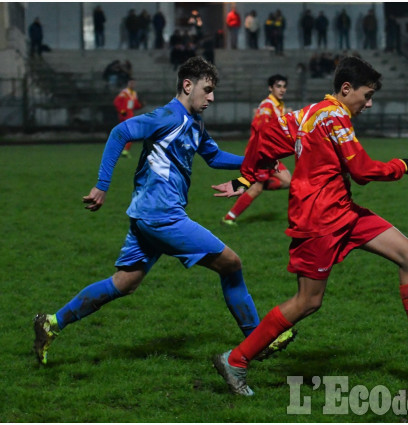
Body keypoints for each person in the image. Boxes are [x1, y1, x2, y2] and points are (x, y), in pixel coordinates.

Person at [211, 56, 408, 396]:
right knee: (307, 301)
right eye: (367, 95)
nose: (369, 103)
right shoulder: (335, 117)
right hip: (318, 221)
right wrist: (401, 165)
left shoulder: (308, 113)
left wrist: (247, 177)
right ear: (346, 89)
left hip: (343, 211)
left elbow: (266, 139)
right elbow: (362, 171)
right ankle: (236, 359)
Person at [33, 57, 295, 367]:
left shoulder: (195, 122)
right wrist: (102, 185)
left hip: (147, 215)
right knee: (231, 263)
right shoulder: (167, 117)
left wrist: (258, 161)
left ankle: (51, 322)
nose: (211, 98)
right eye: (207, 90)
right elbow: (120, 132)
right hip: (162, 215)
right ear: (188, 85)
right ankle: (259, 339)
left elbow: (213, 156)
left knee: (124, 282)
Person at [221, 75, 292, 226]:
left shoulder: (277, 104)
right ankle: (229, 218)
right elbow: (262, 129)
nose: (282, 89)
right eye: (278, 86)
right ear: (270, 88)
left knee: (288, 181)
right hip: (260, 153)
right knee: (257, 188)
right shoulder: (268, 105)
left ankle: (256, 184)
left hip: (270, 153)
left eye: (284, 86)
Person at [113, 79, 143, 158]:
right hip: (125, 115)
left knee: (125, 133)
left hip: (129, 115)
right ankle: (125, 150)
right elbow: (116, 102)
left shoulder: (134, 93)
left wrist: (140, 105)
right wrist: (122, 111)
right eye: (131, 83)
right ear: (128, 84)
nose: (132, 84)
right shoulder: (124, 93)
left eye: (133, 83)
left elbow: (134, 105)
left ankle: (121, 149)